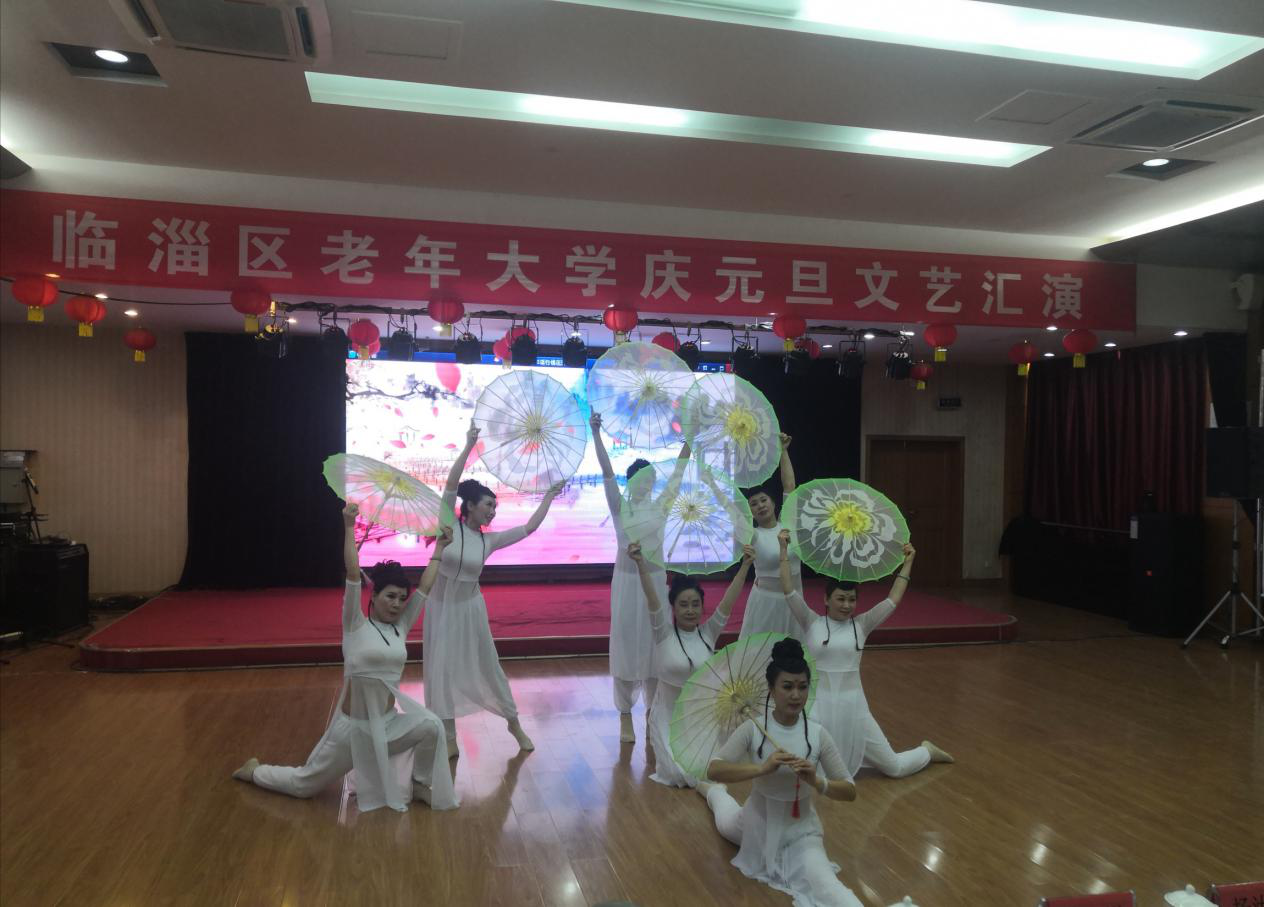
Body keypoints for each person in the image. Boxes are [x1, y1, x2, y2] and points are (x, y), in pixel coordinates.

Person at [232, 503, 458, 812]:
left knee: (432, 726)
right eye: (390, 596)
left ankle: (418, 783)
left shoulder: (401, 627)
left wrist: (440, 548)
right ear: (373, 596)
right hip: (353, 731)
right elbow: (353, 573)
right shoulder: (355, 625)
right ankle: (255, 771)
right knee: (304, 786)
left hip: (388, 727)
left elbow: (426, 587)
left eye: (401, 599)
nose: (397, 604)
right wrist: (349, 527)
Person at [425, 421, 565, 755]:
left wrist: (548, 496)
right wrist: (468, 445)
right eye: (488, 504)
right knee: (441, 671)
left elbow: (529, 527)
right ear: (470, 506)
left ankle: (514, 725)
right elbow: (451, 484)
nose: (492, 511)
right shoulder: (448, 525)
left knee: (490, 668)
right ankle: (449, 737)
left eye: (495, 506)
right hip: (440, 608)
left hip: (470, 608)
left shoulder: (489, 541)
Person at [704, 638, 864, 907]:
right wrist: (762, 769)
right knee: (723, 816)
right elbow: (714, 769)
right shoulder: (753, 728)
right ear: (771, 689)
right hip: (755, 823)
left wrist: (817, 781)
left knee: (826, 883)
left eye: (802, 687)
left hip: (801, 831)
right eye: (787, 686)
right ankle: (712, 794)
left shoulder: (817, 734)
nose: (796, 695)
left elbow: (850, 791)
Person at [778, 531, 953, 778]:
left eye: (851, 600)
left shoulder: (862, 624)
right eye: (840, 599)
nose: (846, 605)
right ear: (826, 599)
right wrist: (783, 550)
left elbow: (893, 599)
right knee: (806, 768)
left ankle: (926, 751)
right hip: (817, 707)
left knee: (894, 768)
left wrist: (909, 561)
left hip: (854, 707)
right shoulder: (811, 621)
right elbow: (788, 590)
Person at [589, 411, 690, 743]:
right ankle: (624, 716)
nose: (645, 484)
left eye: (650, 479)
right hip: (627, 583)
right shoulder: (620, 507)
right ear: (630, 481)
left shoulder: (661, 506)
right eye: (640, 479)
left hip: (655, 583)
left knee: (654, 644)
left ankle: (652, 713)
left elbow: (679, 472)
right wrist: (596, 432)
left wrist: (690, 441)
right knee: (625, 642)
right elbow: (606, 471)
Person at [629, 540, 753, 787]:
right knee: (677, 775)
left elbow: (728, 601)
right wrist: (641, 563)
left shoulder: (708, 633)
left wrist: (746, 565)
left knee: (704, 773)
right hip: (668, 717)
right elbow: (652, 599)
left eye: (695, 604)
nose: (690, 610)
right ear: (673, 608)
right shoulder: (663, 633)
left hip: (702, 718)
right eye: (683, 605)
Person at [740, 433, 802, 640]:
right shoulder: (753, 535)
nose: (760, 506)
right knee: (762, 652)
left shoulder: (789, 525)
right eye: (753, 504)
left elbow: (789, 486)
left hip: (795, 600)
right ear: (750, 512)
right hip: (765, 604)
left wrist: (783, 450)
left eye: (763, 500)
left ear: (774, 503)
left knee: (794, 653)